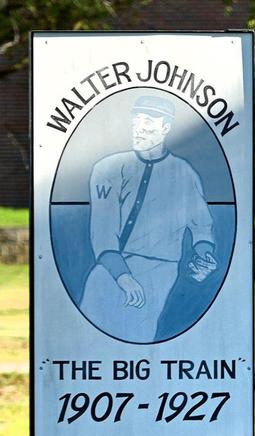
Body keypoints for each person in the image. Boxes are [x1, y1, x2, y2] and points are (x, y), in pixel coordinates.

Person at [79, 95, 218, 343]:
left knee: (139, 341)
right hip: (110, 270)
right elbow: (103, 232)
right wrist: (123, 277)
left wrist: (204, 255)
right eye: (136, 121)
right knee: (87, 342)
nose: (139, 128)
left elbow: (202, 226)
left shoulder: (184, 172)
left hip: (160, 272)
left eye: (148, 122)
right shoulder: (107, 168)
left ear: (165, 128)